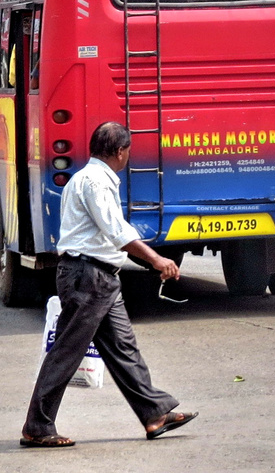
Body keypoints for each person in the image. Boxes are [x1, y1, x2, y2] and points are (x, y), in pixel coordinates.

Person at [21, 121, 196, 448]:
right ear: (120, 151)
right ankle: (37, 426)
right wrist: (157, 260)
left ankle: (154, 412)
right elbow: (117, 231)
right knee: (67, 351)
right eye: (127, 150)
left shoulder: (85, 178)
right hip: (87, 276)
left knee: (123, 346)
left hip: (100, 277)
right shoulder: (96, 183)